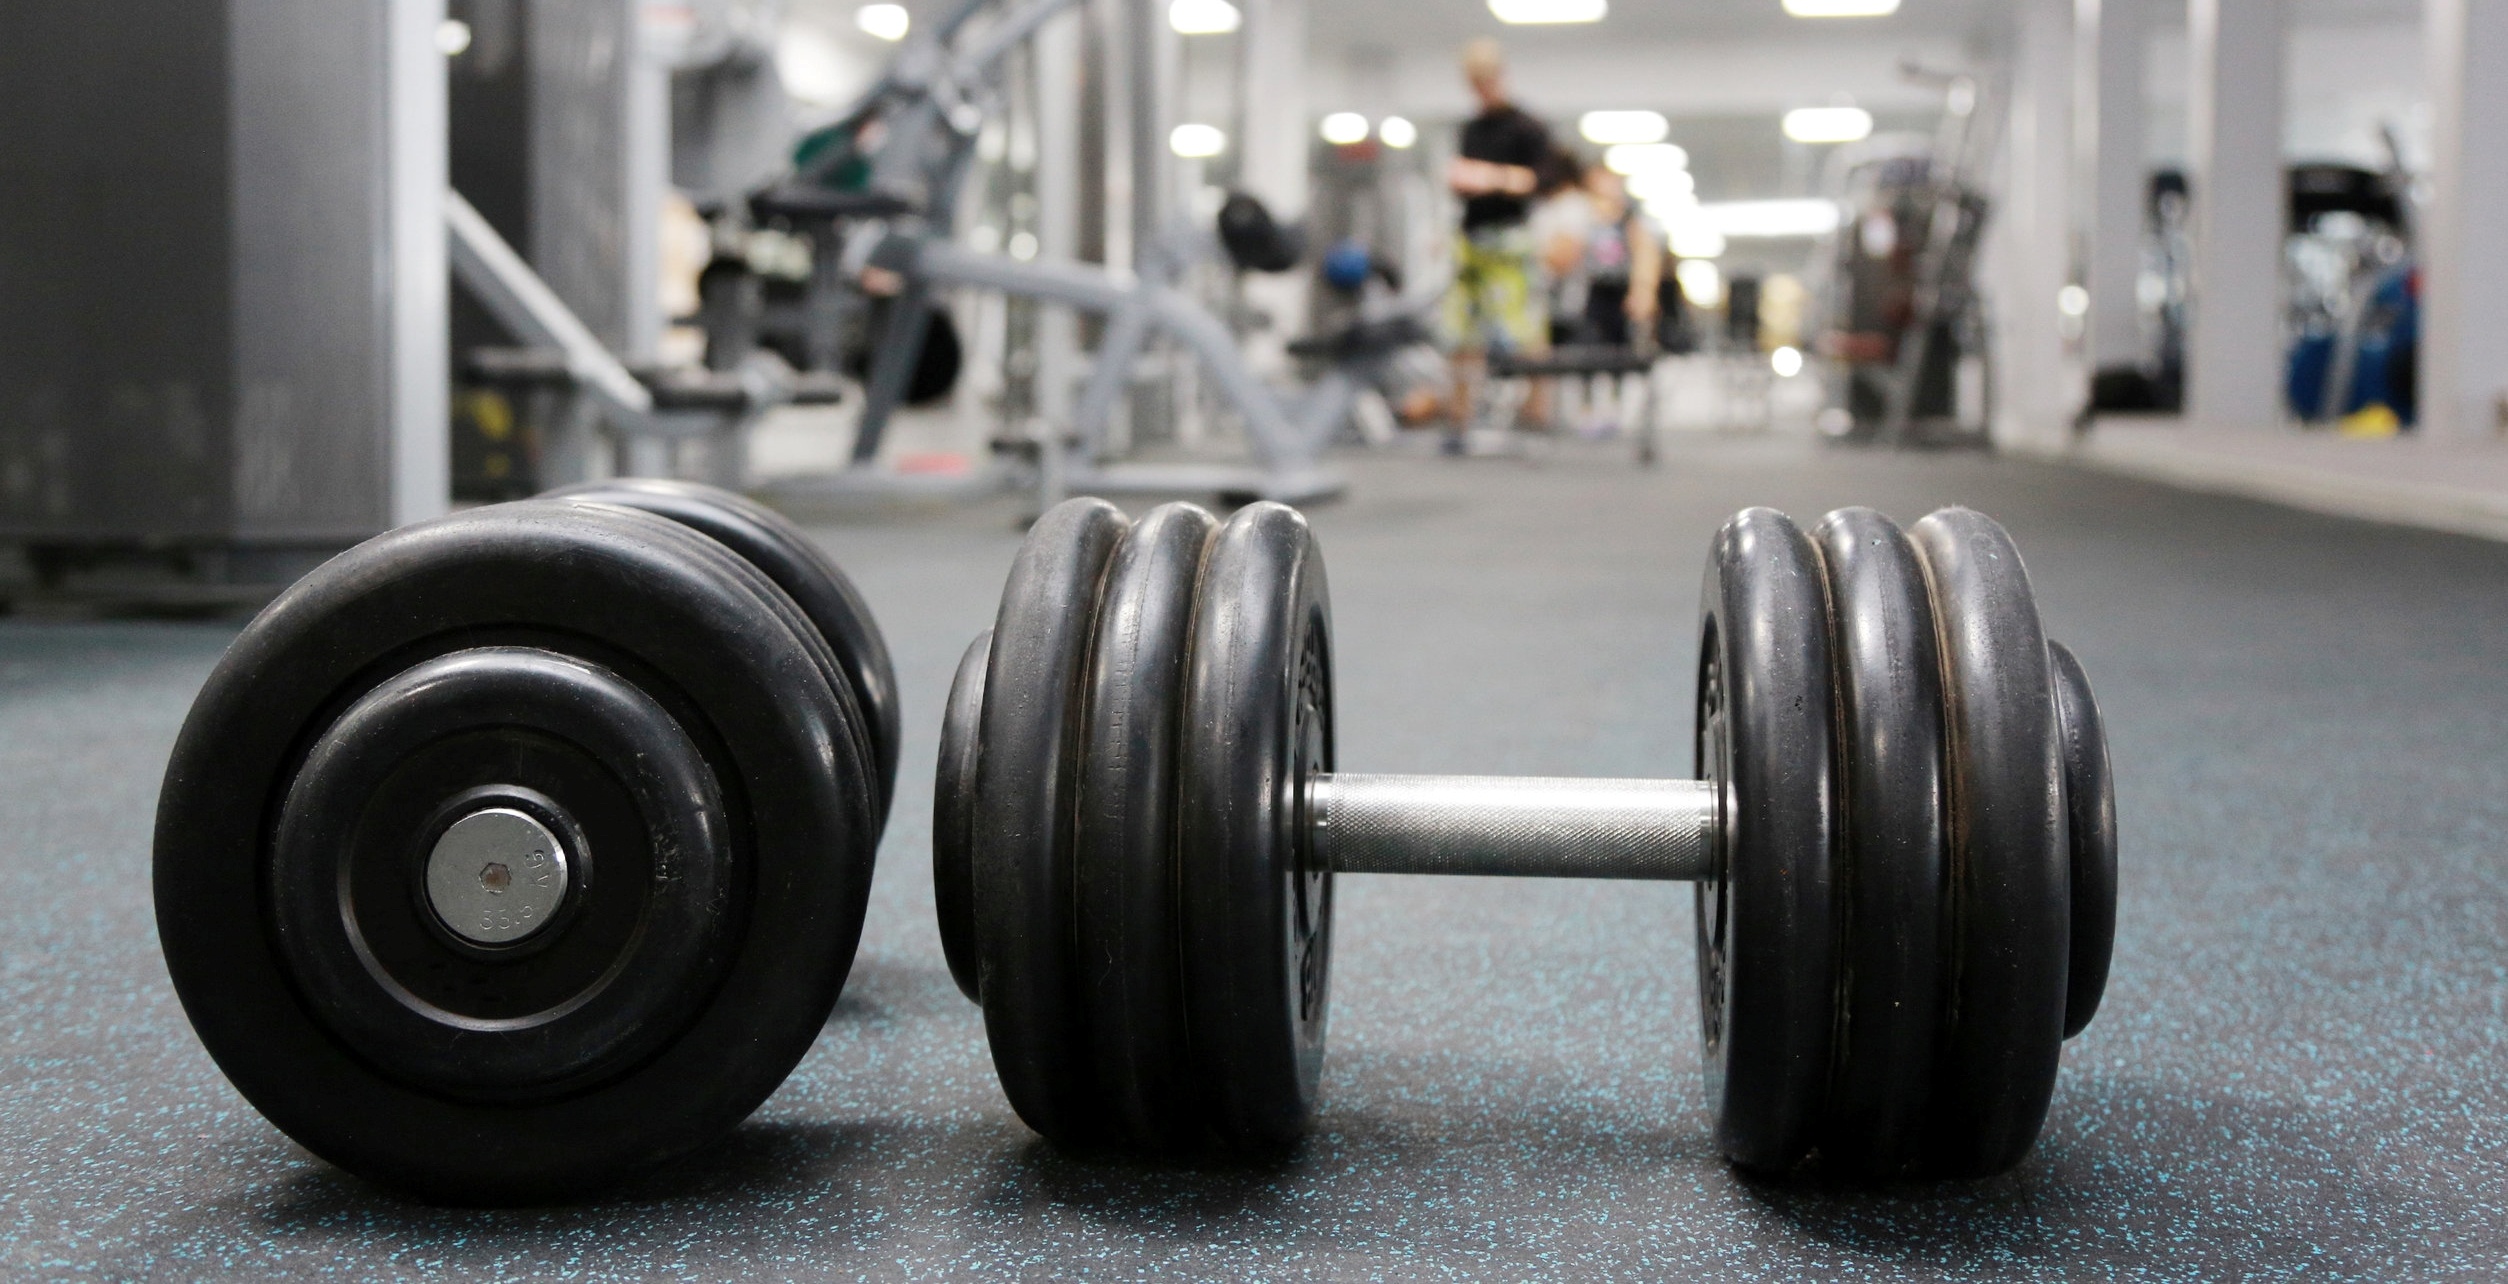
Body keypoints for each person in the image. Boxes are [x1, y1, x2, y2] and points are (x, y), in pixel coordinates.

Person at [1443, 38, 1553, 449]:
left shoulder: (1528, 127)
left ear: (1499, 76)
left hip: (1511, 241)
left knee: (1525, 330)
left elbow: (1543, 182)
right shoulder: (1471, 128)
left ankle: (1537, 413)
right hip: (1472, 240)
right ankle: (1458, 419)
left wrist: (1492, 177)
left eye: (1485, 79)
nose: (1480, 88)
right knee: (1460, 331)